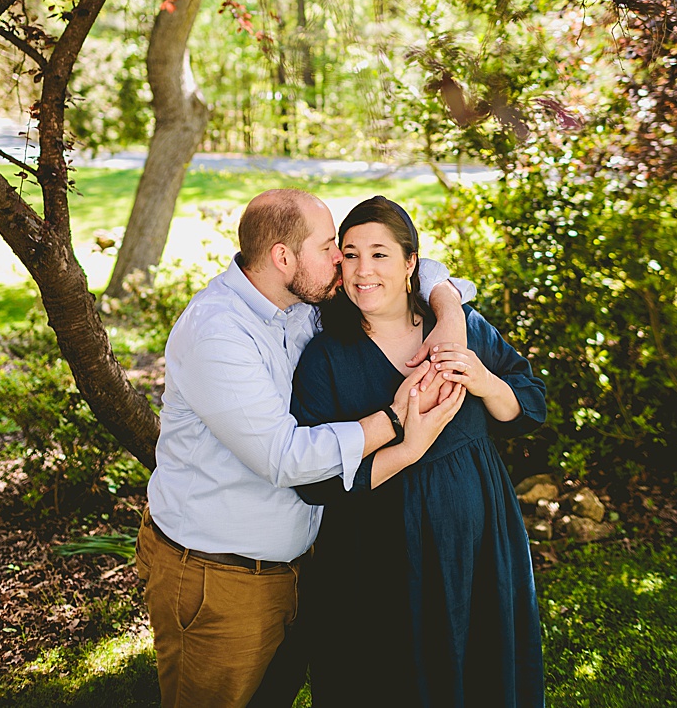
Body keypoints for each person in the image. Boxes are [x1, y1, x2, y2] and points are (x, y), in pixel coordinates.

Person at [134, 187, 473, 708]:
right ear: (283, 258)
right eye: (330, 246)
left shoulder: (296, 301)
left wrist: (448, 312)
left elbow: (413, 264)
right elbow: (284, 457)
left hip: (293, 571)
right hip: (219, 579)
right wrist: (395, 421)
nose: (342, 259)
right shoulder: (218, 334)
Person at [290, 195, 546, 707]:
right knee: (393, 675)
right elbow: (314, 480)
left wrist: (485, 380)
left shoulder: (462, 328)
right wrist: (405, 442)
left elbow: (530, 406)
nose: (364, 270)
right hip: (377, 548)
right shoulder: (325, 356)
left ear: (412, 264)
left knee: (480, 663)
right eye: (351, 253)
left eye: (380, 254)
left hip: (477, 538)